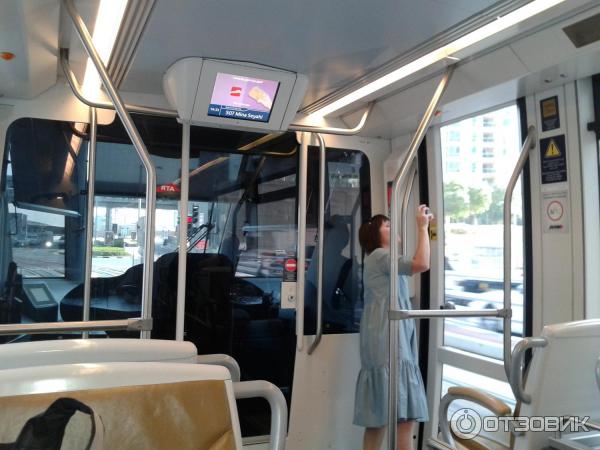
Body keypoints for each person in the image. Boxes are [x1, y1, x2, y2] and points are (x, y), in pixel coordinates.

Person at [353, 205, 433, 450]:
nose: (392, 227)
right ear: (377, 237)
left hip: (381, 335)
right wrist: (422, 227)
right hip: (389, 338)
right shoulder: (381, 256)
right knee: (404, 419)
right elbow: (422, 264)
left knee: (378, 419)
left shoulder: (377, 259)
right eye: (387, 225)